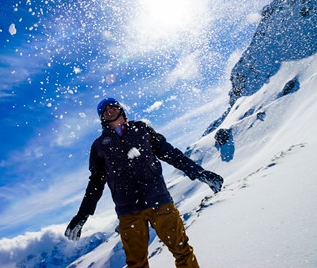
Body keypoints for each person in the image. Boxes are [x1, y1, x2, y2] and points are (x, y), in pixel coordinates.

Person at [65, 98, 224, 268]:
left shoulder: (142, 129)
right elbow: (95, 182)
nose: (108, 110)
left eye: (112, 106)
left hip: (160, 202)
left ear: (121, 109)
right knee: (136, 264)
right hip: (128, 211)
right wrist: (83, 215)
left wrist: (200, 173)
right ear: (102, 118)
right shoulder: (99, 146)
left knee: (182, 251)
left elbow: (171, 154)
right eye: (103, 110)